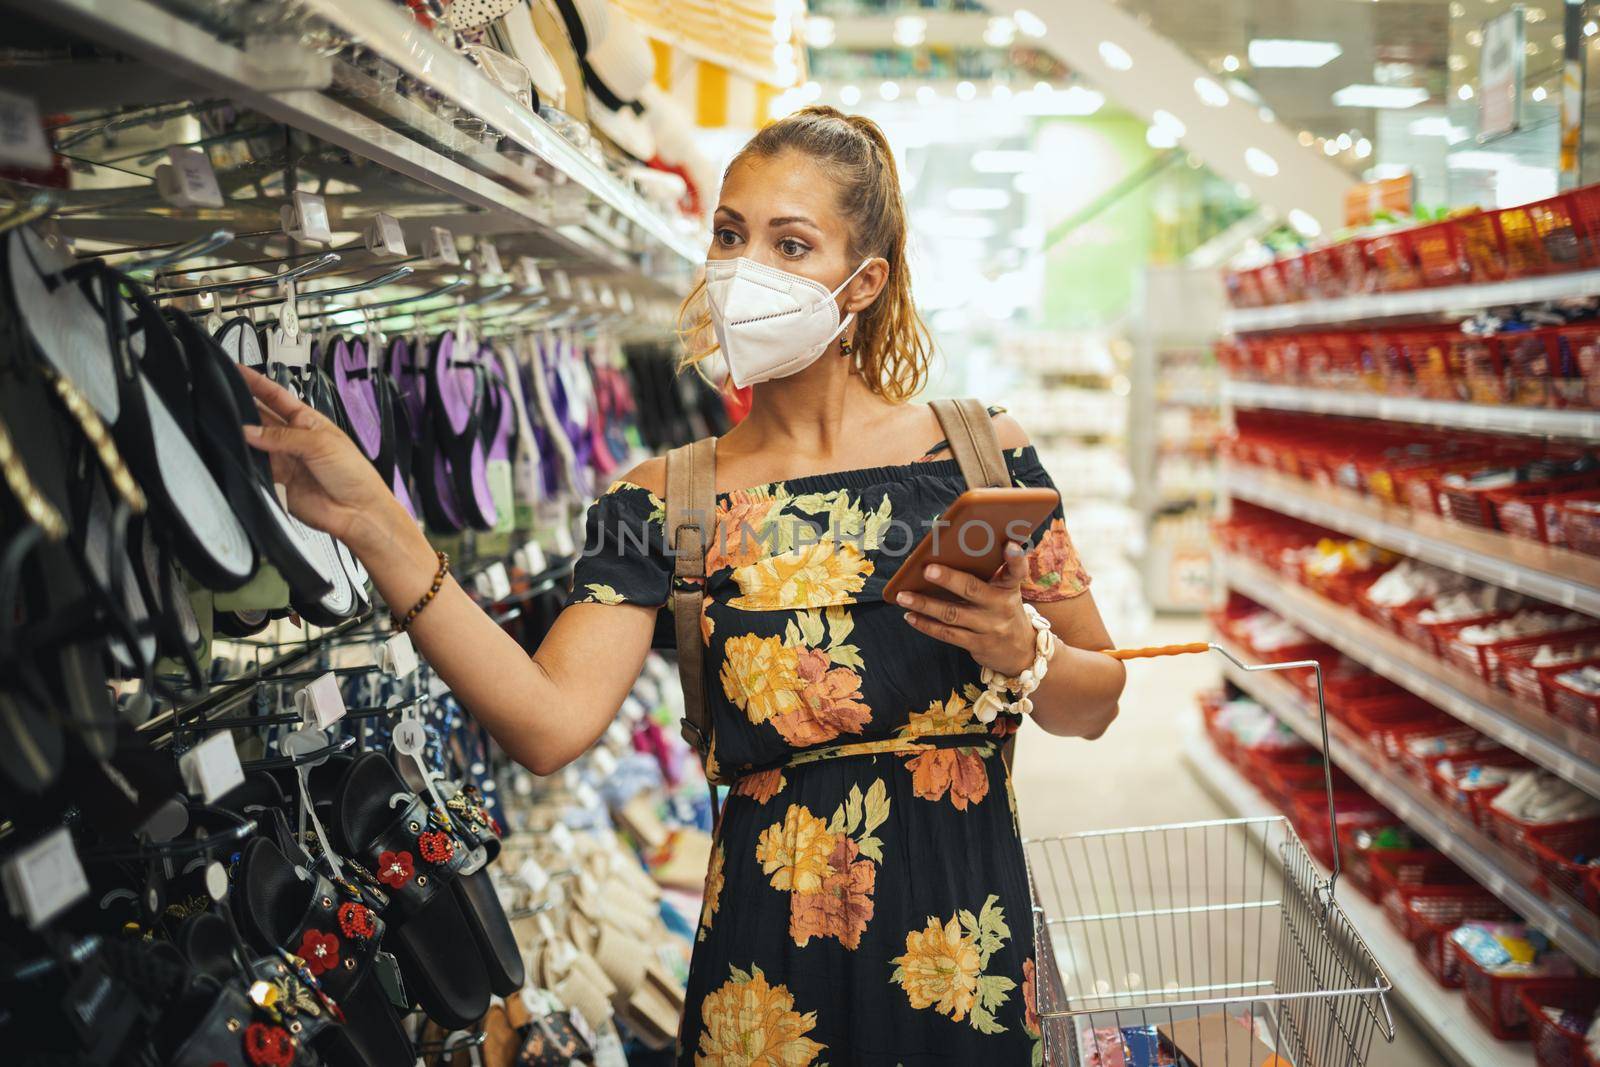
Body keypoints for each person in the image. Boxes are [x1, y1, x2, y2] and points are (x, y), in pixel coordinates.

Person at [242, 105, 1126, 1065]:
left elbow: (1098, 701)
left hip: (968, 950)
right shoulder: (665, 499)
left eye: (793, 244)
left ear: (862, 282)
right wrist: (379, 525)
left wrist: (1018, 647)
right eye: (730, 234)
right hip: (769, 976)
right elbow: (547, 725)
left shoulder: (978, 453)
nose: (746, 270)